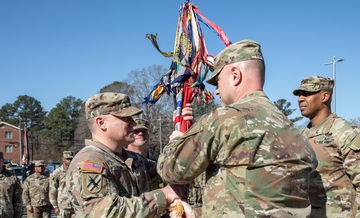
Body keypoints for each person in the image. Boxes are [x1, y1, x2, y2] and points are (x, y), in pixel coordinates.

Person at [157, 39, 318, 217]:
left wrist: (177, 140)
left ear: (235, 75)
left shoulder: (224, 119)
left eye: (217, 81)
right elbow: (261, 202)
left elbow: (171, 170)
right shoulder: (291, 129)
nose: (217, 91)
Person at [66, 92, 188, 217]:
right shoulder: (89, 162)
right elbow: (106, 212)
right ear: (101, 123)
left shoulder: (134, 160)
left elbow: (176, 173)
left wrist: (184, 132)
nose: (133, 123)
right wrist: (163, 196)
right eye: (125, 118)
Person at [293, 76, 360, 217]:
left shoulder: (345, 133)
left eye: (307, 94)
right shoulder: (301, 135)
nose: (300, 99)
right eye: (299, 95)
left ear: (325, 96)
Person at [49, 151, 75, 218]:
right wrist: (55, 206)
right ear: (63, 159)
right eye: (67, 159)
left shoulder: (76, 171)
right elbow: (52, 190)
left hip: (75, 206)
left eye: (71, 159)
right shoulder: (57, 173)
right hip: (63, 206)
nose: (69, 160)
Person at [0, 152, 23, 218]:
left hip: (7, 215)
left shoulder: (12, 178)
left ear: (3, 161)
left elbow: (18, 200)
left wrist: (18, 215)